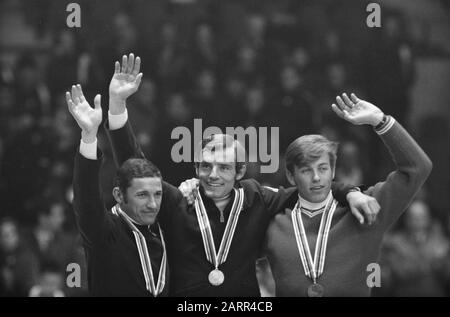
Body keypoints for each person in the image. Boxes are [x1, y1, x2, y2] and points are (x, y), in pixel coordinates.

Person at [105, 53, 379, 296]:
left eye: (224, 168)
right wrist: (117, 105)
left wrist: (350, 192)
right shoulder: (178, 201)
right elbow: (134, 166)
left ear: (240, 171)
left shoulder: (258, 199)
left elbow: (310, 187)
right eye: (206, 166)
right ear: (196, 168)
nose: (213, 175)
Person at [264, 93, 432, 296]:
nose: (316, 177)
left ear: (333, 171)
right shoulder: (272, 220)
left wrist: (380, 121)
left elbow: (418, 167)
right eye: (307, 170)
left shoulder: (366, 207)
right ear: (291, 176)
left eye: (323, 168)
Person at [68, 84, 170, 296]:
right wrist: (89, 137)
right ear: (118, 195)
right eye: (142, 195)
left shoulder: (165, 228)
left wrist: (117, 106)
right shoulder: (106, 231)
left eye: (157, 194)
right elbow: (87, 202)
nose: (152, 204)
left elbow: (134, 164)